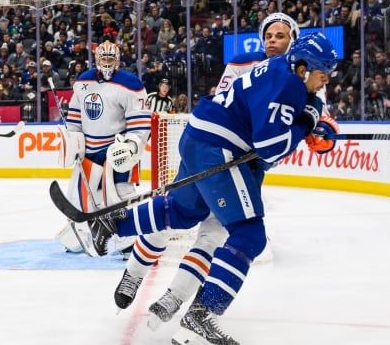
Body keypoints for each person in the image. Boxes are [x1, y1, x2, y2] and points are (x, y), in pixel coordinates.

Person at [83, 33, 339, 344]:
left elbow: (291, 112)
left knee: (182, 211)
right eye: (322, 74)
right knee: (249, 234)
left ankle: (112, 223)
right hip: (221, 148)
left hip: (198, 135)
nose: (324, 81)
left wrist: (311, 112)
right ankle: (200, 318)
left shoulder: (280, 71)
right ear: (302, 68)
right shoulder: (289, 85)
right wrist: (308, 123)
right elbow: (271, 148)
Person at [111, 12, 303, 331]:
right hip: (219, 155)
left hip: (246, 168)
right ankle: (134, 273)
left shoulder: (298, 77)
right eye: (269, 34)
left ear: (293, 40)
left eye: (281, 36)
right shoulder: (244, 63)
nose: (273, 40)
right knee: (173, 215)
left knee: (212, 236)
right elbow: (225, 105)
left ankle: (174, 297)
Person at [54, 40, 149, 258]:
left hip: (116, 148)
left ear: (117, 60)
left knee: (120, 193)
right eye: (103, 58)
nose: (106, 63)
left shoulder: (131, 84)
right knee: (79, 196)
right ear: (96, 59)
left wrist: (132, 145)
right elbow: (75, 117)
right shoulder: (83, 81)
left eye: (110, 58)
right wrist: (73, 139)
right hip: (89, 149)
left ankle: (128, 241)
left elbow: (141, 122)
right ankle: (80, 235)